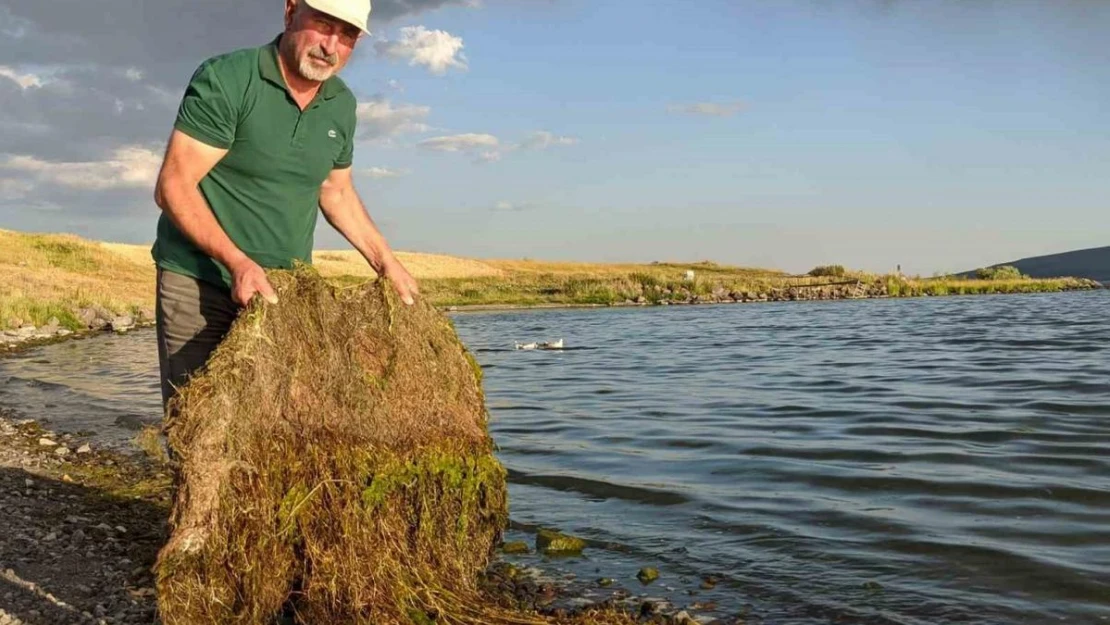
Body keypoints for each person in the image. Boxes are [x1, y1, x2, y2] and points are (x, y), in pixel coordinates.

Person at [150, 0, 418, 411]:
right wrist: (238, 263)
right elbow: (172, 185)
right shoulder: (229, 78)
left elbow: (336, 191)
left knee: (274, 422)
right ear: (291, 11)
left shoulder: (341, 105)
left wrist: (387, 262)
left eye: (347, 35)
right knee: (198, 421)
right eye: (323, 24)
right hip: (199, 282)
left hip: (282, 293)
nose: (331, 45)